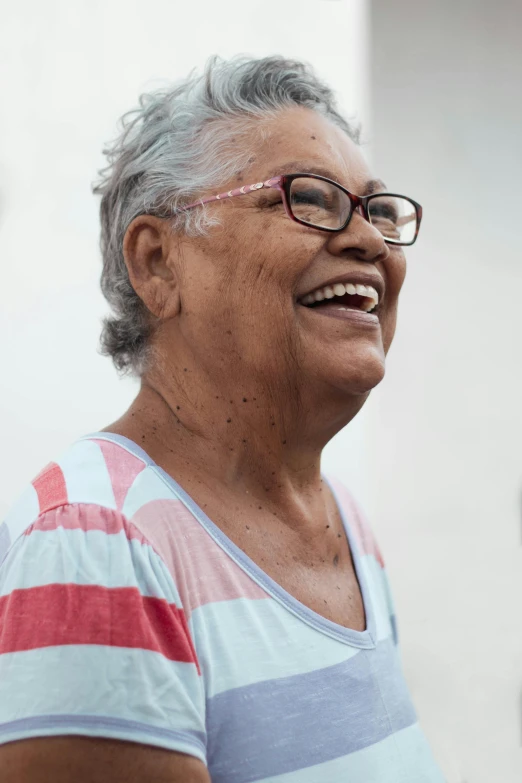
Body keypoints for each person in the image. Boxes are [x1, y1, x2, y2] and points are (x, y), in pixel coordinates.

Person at [0, 56, 444, 782]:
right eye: (310, 198)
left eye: (379, 210)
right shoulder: (97, 542)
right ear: (158, 263)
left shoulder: (342, 524)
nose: (370, 242)